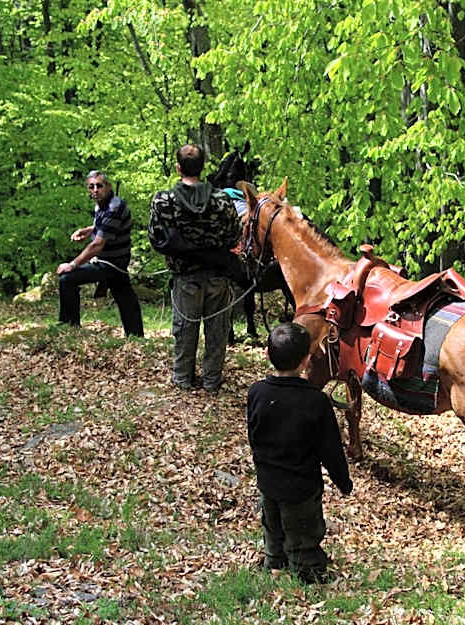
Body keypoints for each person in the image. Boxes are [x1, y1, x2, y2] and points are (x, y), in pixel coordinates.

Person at [246, 322, 353, 583]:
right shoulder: (315, 401)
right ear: (306, 360)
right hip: (302, 487)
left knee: (273, 526)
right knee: (304, 533)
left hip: (268, 480)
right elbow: (330, 449)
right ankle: (307, 572)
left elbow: (254, 434)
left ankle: (274, 561)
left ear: (268, 355)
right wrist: (343, 481)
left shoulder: (257, 392)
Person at [148, 144, 241, 392]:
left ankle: (182, 380)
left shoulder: (163, 200)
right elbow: (234, 237)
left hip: (185, 278)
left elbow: (157, 239)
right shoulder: (222, 200)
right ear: (203, 167)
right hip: (218, 277)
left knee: (185, 329)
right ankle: (211, 381)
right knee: (217, 331)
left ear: (178, 167)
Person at [57, 170, 144, 337]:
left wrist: (72, 264)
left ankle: (69, 328)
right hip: (111, 261)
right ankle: (136, 337)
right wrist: (89, 230)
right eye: (91, 187)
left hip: (112, 263)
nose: (95, 190)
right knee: (125, 295)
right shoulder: (101, 204)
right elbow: (104, 227)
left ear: (108, 186)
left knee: (67, 278)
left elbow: (97, 245)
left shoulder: (114, 207)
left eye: (99, 186)